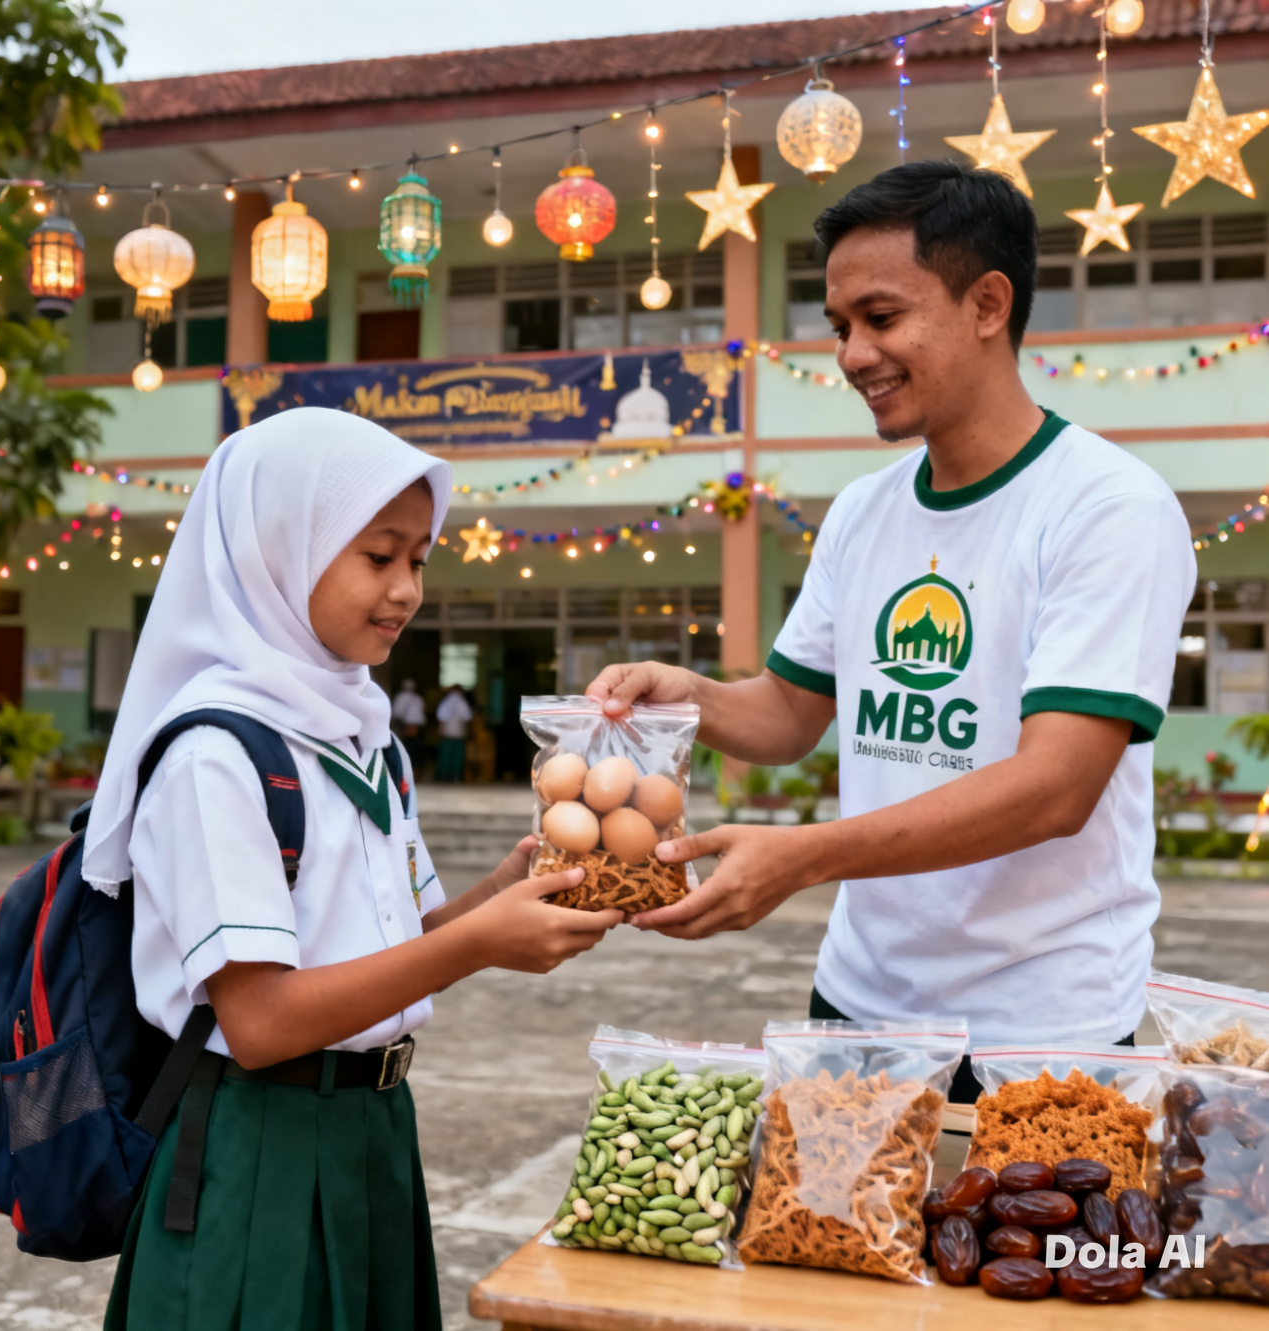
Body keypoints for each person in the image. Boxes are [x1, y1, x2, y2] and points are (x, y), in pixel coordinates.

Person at [588, 162, 1195, 1102]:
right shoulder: (865, 511)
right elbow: (790, 712)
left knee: (1020, 1255)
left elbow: (1054, 788)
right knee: (822, 1247)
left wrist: (801, 857)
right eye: (838, 327)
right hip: (856, 1007)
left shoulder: (1108, 507)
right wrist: (690, 695)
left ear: (988, 303)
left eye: (880, 317)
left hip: (1037, 1033)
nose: (851, 353)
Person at [85, 407, 620, 1330]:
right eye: (378, 556)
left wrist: (498, 895)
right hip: (261, 1145)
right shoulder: (214, 753)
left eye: (419, 557)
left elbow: (392, 948)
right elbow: (259, 1020)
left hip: (373, 1131)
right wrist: (481, 946)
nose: (407, 588)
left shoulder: (364, 739)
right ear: (281, 551)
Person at [434, 684, 472, 782]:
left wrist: (439, 729)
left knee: (445, 755)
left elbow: (441, 716)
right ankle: (456, 776)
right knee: (458, 756)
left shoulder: (446, 701)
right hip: (459, 732)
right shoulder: (462, 702)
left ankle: (443, 776)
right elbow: (467, 717)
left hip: (447, 732)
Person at [392, 677, 427, 776]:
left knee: (410, 748)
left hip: (406, 726)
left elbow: (397, 713)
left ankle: (411, 770)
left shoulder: (401, 697)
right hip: (413, 726)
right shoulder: (418, 698)